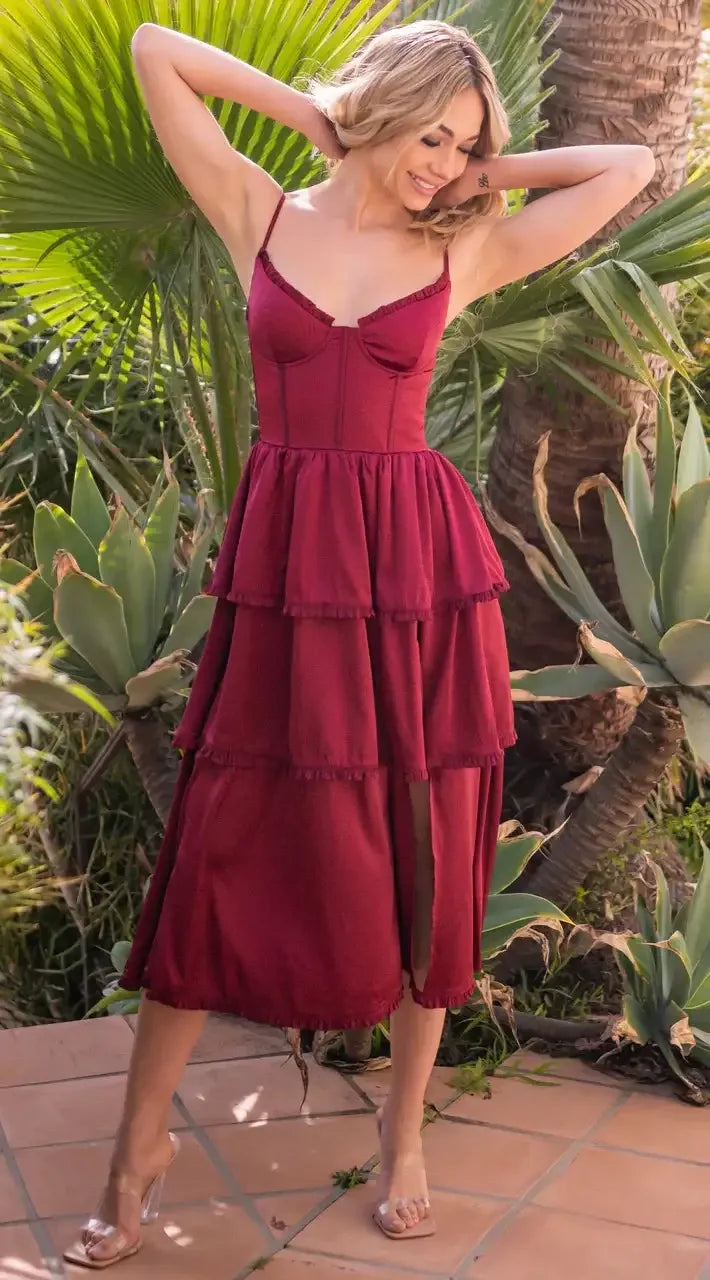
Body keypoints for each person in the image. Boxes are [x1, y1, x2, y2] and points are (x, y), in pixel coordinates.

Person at [64, 17, 655, 1268]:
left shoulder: (467, 246)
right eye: (428, 136)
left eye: (463, 145)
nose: (441, 165)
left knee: (420, 841)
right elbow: (155, 49)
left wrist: (489, 172)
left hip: (413, 579)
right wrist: (311, 114)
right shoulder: (259, 213)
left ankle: (401, 1137)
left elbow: (627, 171)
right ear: (377, 110)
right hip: (285, 580)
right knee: (218, 837)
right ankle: (137, 1147)